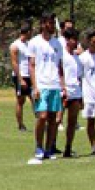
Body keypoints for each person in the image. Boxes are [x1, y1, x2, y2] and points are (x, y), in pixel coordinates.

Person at [27, 12, 65, 160]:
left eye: (52, 23)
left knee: (53, 119)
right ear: (42, 24)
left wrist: (63, 86)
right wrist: (35, 86)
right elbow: (31, 65)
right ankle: (38, 146)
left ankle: (49, 149)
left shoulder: (57, 43)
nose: (51, 26)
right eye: (48, 23)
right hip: (41, 85)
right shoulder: (34, 42)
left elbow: (59, 66)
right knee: (42, 116)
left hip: (55, 85)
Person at [60, 28, 83, 158]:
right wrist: (63, 88)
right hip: (63, 92)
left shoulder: (77, 57)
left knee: (72, 122)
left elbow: (79, 77)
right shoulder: (62, 54)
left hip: (76, 92)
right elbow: (59, 72)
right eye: (74, 39)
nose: (76, 42)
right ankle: (50, 147)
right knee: (56, 120)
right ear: (67, 40)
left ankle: (68, 148)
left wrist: (82, 96)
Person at [9, 21, 33, 132]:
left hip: (30, 75)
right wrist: (20, 79)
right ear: (27, 32)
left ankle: (41, 121)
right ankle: (20, 125)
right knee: (21, 100)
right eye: (31, 32)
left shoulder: (29, 44)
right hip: (21, 75)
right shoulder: (15, 45)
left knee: (35, 99)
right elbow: (14, 63)